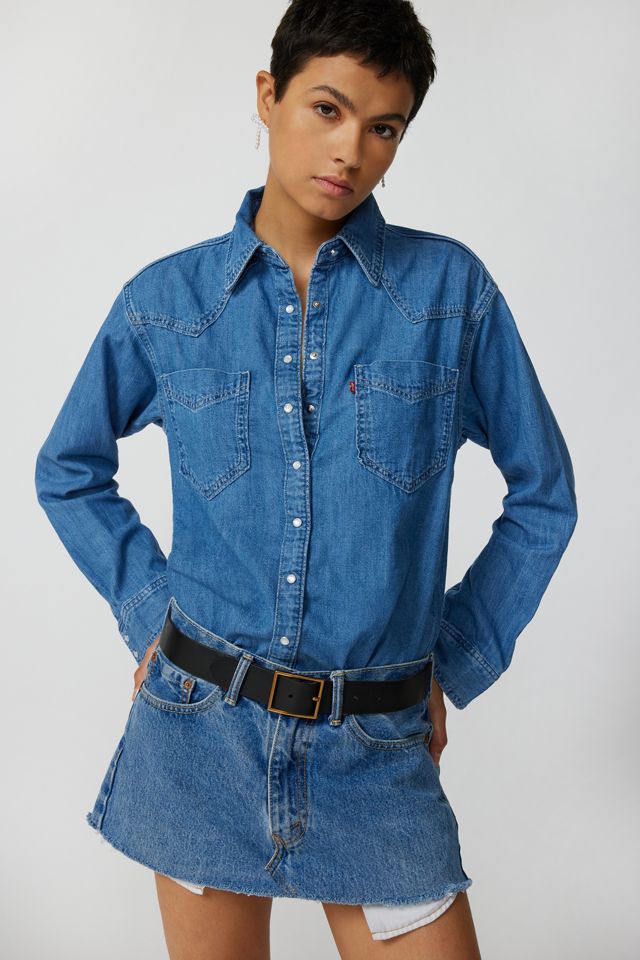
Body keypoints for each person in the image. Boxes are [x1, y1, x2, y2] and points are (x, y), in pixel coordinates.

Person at [34, 1, 578, 957]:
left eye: (384, 127)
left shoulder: (449, 295)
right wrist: (149, 612)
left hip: (376, 752)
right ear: (268, 95)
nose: (350, 152)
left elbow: (545, 495)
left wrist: (452, 659)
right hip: (200, 736)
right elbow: (68, 468)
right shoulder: (168, 303)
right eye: (327, 109)